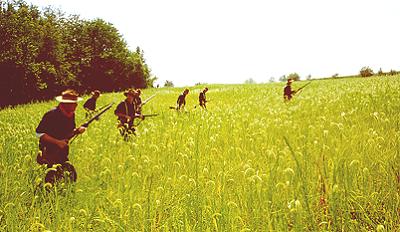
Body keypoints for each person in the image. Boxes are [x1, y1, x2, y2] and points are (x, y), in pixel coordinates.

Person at [36, 89, 86, 184]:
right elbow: (40, 134)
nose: (76, 105)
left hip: (62, 152)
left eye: (75, 103)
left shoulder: (71, 115)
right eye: (73, 103)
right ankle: (46, 195)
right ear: (65, 104)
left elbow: (68, 133)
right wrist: (58, 142)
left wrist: (77, 131)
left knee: (70, 177)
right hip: (50, 152)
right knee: (53, 178)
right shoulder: (51, 115)